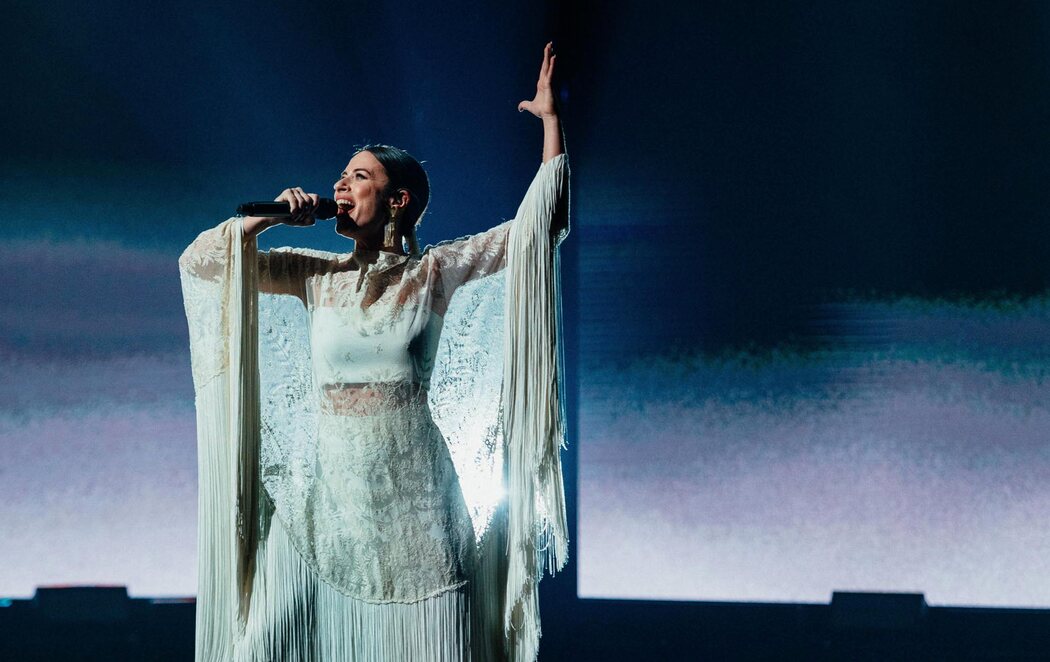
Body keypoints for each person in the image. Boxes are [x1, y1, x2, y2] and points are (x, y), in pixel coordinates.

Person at [178, 43, 569, 661]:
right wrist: (270, 221)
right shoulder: (315, 275)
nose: (339, 184)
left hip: (414, 493)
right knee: (265, 644)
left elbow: (539, 229)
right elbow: (203, 265)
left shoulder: (436, 272)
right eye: (341, 175)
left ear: (398, 200)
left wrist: (550, 121)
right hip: (327, 493)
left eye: (358, 176)